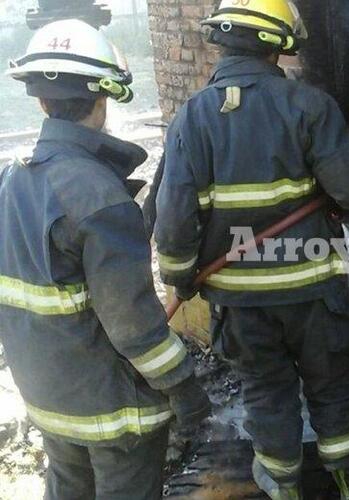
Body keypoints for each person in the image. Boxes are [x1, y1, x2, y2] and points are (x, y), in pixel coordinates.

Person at [153, 1, 349, 499]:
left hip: (239, 301)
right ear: (280, 43)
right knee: (332, 383)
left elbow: (172, 221)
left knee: (266, 391)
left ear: (223, 41)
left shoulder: (192, 117)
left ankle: (283, 483)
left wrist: (181, 277)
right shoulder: (310, 106)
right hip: (312, 289)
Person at [0, 19, 210, 500]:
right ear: (103, 99)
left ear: (39, 101)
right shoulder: (101, 197)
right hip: (115, 415)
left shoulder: (12, 181)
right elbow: (134, 326)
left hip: (49, 400)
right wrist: (183, 386)